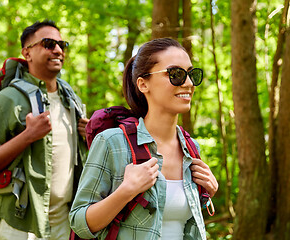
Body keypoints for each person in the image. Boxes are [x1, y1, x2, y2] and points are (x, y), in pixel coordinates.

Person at [69, 38, 218, 240]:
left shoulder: (191, 149)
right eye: (175, 74)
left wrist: (208, 194)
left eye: (192, 74)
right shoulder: (112, 142)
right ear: (143, 84)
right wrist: (126, 191)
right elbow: (79, 222)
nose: (189, 83)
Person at [0, 20, 89, 240]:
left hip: (65, 222)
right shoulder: (8, 100)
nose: (58, 50)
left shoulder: (71, 100)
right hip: (20, 224)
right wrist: (28, 136)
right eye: (48, 43)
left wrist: (89, 136)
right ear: (27, 53)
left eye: (62, 45)